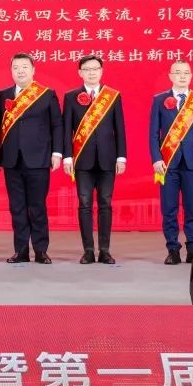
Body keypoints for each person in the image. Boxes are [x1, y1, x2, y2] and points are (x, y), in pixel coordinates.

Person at [0, 53, 62, 265]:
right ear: (11, 71)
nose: (20, 71)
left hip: (39, 158)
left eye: (24, 67)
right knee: (17, 207)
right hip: (12, 159)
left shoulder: (47, 94)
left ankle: (41, 250)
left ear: (33, 70)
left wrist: (57, 153)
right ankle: (21, 250)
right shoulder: (3, 95)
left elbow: (57, 125)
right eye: (16, 67)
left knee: (37, 207)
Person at [62, 55, 126, 264]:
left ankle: (105, 250)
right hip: (82, 160)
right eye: (87, 69)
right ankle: (88, 250)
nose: (91, 72)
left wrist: (121, 156)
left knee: (106, 203)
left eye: (95, 69)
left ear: (101, 71)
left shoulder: (112, 96)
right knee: (84, 203)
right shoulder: (71, 97)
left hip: (108, 159)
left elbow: (120, 129)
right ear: (80, 72)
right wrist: (67, 157)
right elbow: (66, 130)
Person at [149, 60, 193, 265]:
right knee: (169, 209)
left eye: (186, 73)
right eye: (178, 73)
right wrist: (157, 158)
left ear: (191, 76)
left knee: (192, 208)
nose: (182, 76)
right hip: (167, 163)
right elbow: (153, 134)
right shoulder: (160, 100)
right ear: (170, 76)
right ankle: (172, 249)